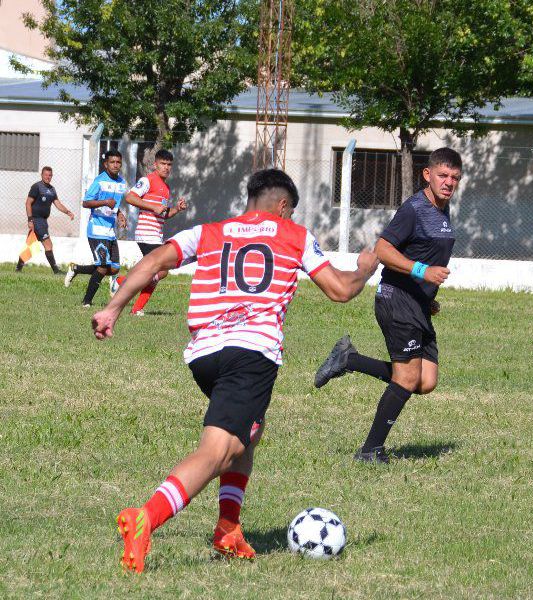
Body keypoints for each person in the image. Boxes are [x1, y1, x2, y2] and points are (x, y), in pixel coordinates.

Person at [92, 169, 378, 573]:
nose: (291, 219)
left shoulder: (208, 232)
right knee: (218, 450)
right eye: (291, 212)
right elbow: (341, 289)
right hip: (251, 353)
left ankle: (228, 528)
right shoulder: (293, 236)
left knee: (249, 433)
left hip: (205, 355)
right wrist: (365, 268)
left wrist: (113, 307)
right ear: (282, 207)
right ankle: (146, 518)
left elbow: (155, 259)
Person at [313, 147, 461, 464]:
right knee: (407, 378)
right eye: (443, 175)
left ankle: (349, 360)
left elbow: (425, 251)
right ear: (428, 174)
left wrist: (428, 297)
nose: (448, 182)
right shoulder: (415, 209)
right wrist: (422, 272)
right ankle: (370, 450)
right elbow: (383, 248)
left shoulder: (442, 210)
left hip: (417, 304)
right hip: (397, 300)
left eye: (454, 178)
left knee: (425, 381)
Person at [115, 148, 188, 316]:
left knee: (156, 271)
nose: (166, 167)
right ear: (155, 164)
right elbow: (130, 197)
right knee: (161, 270)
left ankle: (135, 305)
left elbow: (164, 213)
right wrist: (153, 206)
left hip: (156, 234)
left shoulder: (166, 187)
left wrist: (177, 209)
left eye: (169, 165)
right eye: (163, 164)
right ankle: (122, 282)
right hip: (146, 233)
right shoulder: (148, 180)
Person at [64, 150, 129, 306]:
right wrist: (105, 202)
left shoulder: (121, 183)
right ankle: (87, 301)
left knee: (113, 269)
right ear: (105, 164)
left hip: (110, 231)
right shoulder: (99, 181)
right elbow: (86, 202)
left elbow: (115, 204)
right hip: (96, 229)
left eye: (118, 162)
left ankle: (77, 269)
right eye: (112, 162)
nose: (115, 165)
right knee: (102, 267)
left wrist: (120, 214)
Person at [15, 166, 75, 273]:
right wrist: (30, 220)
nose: (48, 177)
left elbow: (58, 204)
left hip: (43, 221)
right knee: (48, 244)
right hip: (36, 220)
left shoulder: (52, 190)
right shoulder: (36, 187)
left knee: (31, 244)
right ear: (42, 175)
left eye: (50, 175)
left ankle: (18, 268)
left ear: (52, 176)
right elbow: (28, 203)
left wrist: (68, 212)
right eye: (46, 175)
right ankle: (56, 270)